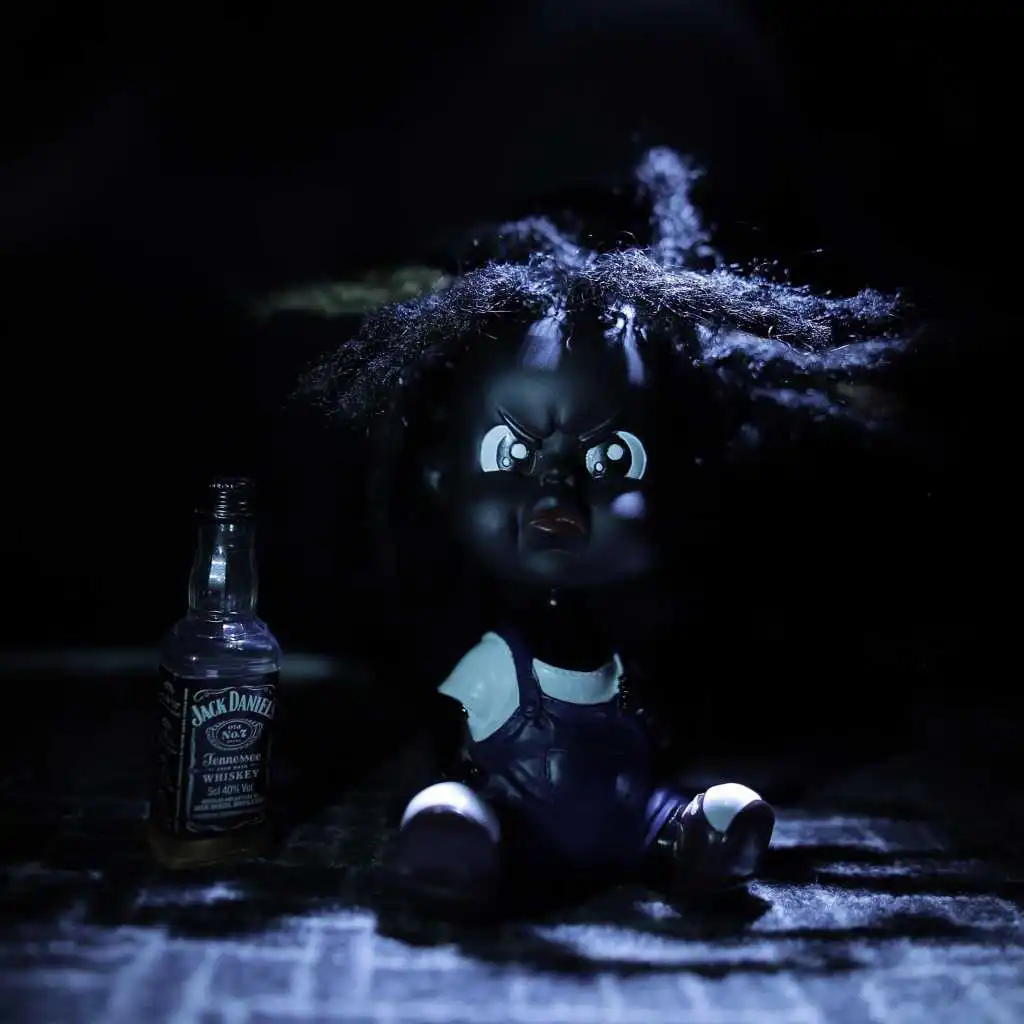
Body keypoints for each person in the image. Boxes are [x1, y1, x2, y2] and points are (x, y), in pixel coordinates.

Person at [294, 148, 909, 917]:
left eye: (611, 458)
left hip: (631, 812)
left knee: (704, 805)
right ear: (442, 476)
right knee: (452, 802)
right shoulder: (493, 658)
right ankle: (463, 837)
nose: (557, 489)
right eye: (513, 454)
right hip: (516, 810)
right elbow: (456, 733)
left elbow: (664, 728)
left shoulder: (652, 649)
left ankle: (697, 840)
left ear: (682, 475)